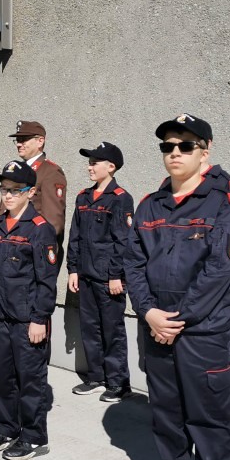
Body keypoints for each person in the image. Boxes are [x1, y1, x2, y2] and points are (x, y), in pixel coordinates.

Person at [124, 114, 230, 460]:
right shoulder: (150, 205)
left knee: (209, 421)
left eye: (185, 145)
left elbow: (219, 271)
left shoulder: (222, 204)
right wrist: (149, 312)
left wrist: (177, 319)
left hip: (202, 334)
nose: (174, 153)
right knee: (167, 416)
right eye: (167, 146)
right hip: (156, 327)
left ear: (205, 151)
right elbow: (133, 262)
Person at [0, 160, 59, 460]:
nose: (8, 195)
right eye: (4, 190)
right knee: (1, 378)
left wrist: (40, 319)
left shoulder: (40, 229)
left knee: (30, 380)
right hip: (0, 317)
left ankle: (34, 437)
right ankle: (7, 428)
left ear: (31, 192)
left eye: (15, 190)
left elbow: (46, 280)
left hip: (27, 320)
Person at [66, 142, 135, 403]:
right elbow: (75, 236)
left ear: (111, 167)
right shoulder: (83, 197)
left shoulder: (120, 198)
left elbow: (123, 241)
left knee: (112, 330)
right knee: (90, 328)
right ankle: (96, 378)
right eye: (89, 163)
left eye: (95, 163)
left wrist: (116, 275)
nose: (89, 167)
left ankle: (118, 383)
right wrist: (73, 269)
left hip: (108, 280)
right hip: (86, 275)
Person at [6, 120, 66, 245]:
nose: (19, 144)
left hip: (33, 246)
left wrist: (38, 246)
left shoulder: (50, 172)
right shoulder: (17, 170)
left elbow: (53, 221)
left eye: (24, 140)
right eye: (17, 140)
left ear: (40, 141)